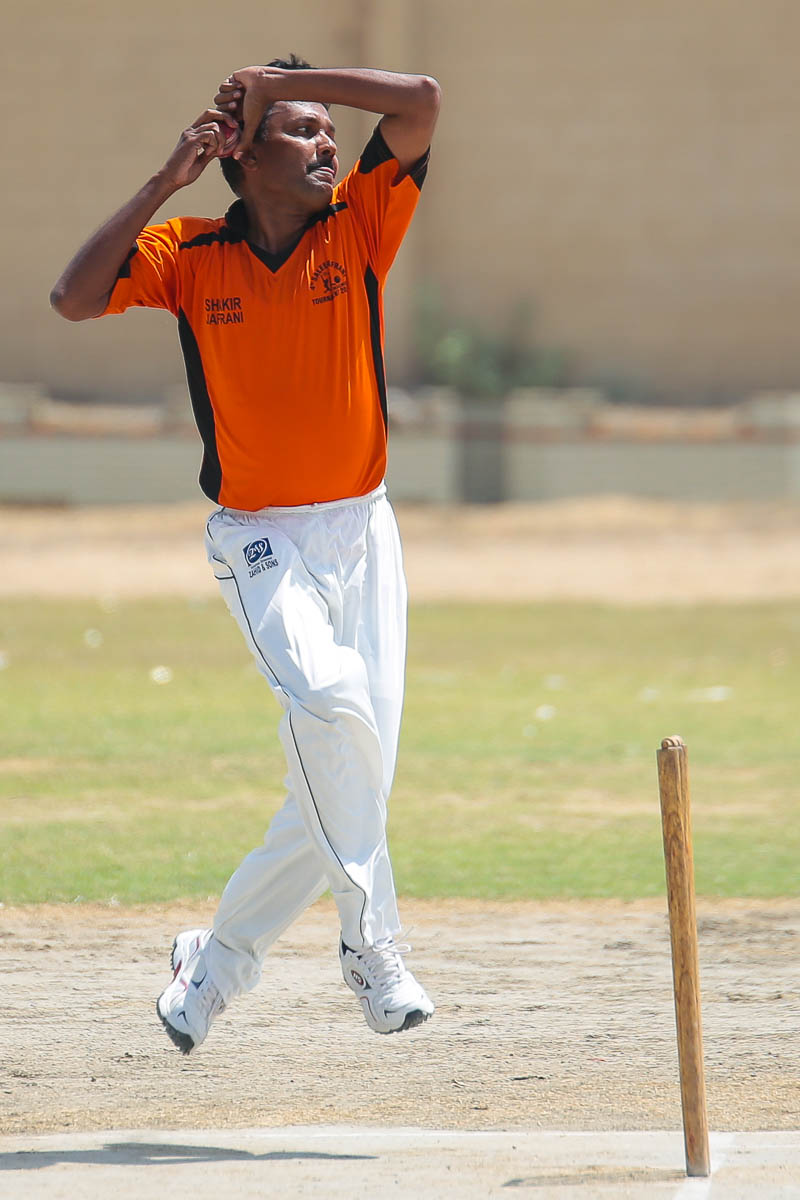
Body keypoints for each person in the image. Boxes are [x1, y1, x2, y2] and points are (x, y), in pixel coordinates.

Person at [50, 56, 441, 1051]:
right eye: (302, 130)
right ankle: (373, 949)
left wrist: (280, 79)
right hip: (261, 539)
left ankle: (214, 964)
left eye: (329, 130)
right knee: (331, 711)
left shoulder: (357, 224)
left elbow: (421, 102)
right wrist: (166, 177)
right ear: (246, 158)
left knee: (349, 776)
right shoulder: (190, 253)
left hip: (364, 529)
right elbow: (73, 297)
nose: (327, 144)